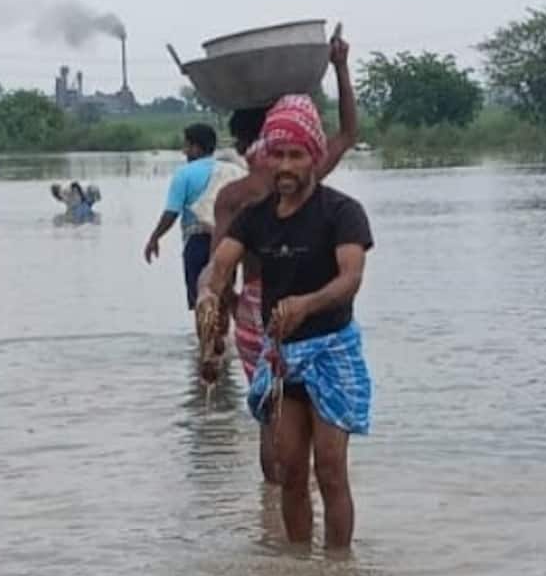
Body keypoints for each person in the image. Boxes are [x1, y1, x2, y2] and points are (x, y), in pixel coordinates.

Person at [198, 93, 374, 549]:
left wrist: (306, 304)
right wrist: (209, 297)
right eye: (277, 155)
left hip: (331, 350)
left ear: (314, 157)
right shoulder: (253, 216)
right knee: (289, 471)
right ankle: (296, 568)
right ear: (264, 158)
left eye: (296, 155)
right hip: (282, 359)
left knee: (331, 471)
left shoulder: (342, 212)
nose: (286, 166)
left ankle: (338, 573)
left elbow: (350, 278)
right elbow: (220, 265)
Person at [144, 122, 245, 311]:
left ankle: (204, 340)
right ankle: (225, 338)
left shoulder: (184, 174)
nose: (184, 151)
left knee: (202, 302)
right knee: (223, 297)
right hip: (227, 244)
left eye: (187, 146)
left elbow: (171, 213)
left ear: (196, 148)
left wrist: (155, 237)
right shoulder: (231, 170)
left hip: (197, 243)